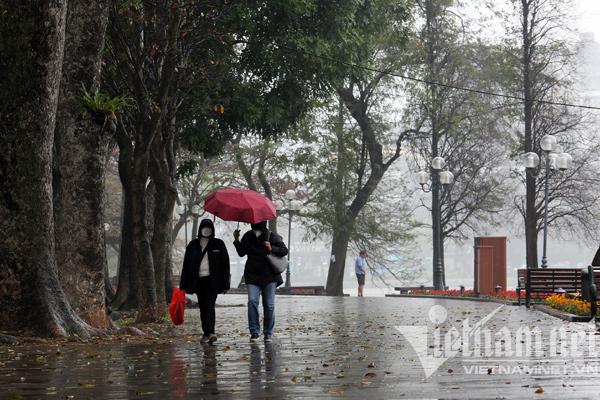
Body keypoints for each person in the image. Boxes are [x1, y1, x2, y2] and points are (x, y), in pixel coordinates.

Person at [234, 220, 288, 343]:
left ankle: (268, 333)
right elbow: (241, 252)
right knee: (252, 301)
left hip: (269, 276)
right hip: (252, 275)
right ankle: (254, 332)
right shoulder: (248, 236)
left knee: (269, 305)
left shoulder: (272, 236)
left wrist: (272, 248)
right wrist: (236, 240)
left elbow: (284, 250)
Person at [179, 219, 230, 344]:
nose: (206, 230)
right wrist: (183, 285)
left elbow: (225, 265)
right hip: (198, 281)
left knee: (209, 305)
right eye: (204, 227)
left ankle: (211, 332)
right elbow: (186, 265)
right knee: (202, 307)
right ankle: (206, 333)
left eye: (209, 228)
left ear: (212, 230)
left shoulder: (218, 244)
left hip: (212, 281)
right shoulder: (193, 245)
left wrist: (225, 284)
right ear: (200, 229)